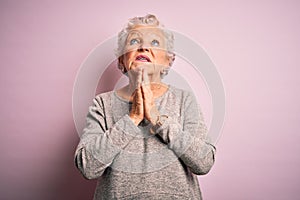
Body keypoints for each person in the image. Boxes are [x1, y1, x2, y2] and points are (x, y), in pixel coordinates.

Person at [74, 14, 216, 200]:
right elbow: (88, 167)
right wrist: (132, 118)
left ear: (168, 61)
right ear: (121, 61)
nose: (143, 47)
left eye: (155, 42)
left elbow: (204, 162)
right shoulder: (102, 104)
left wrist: (158, 120)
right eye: (134, 41)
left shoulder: (184, 100)